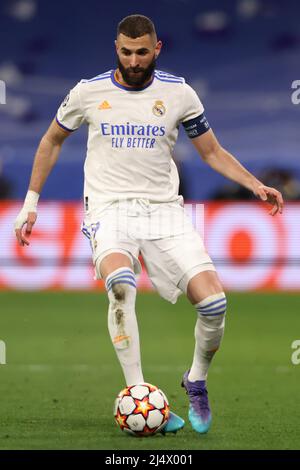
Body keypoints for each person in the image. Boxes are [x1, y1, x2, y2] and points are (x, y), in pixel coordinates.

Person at [14, 14, 283, 435]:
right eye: (126, 52)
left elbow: (211, 152)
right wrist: (30, 202)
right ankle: (138, 391)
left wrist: (254, 184)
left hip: (164, 212)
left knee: (214, 305)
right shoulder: (88, 92)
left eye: (142, 52)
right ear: (116, 48)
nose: (134, 60)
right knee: (120, 283)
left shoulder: (179, 94)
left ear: (157, 50)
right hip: (108, 209)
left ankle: (196, 379)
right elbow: (51, 139)